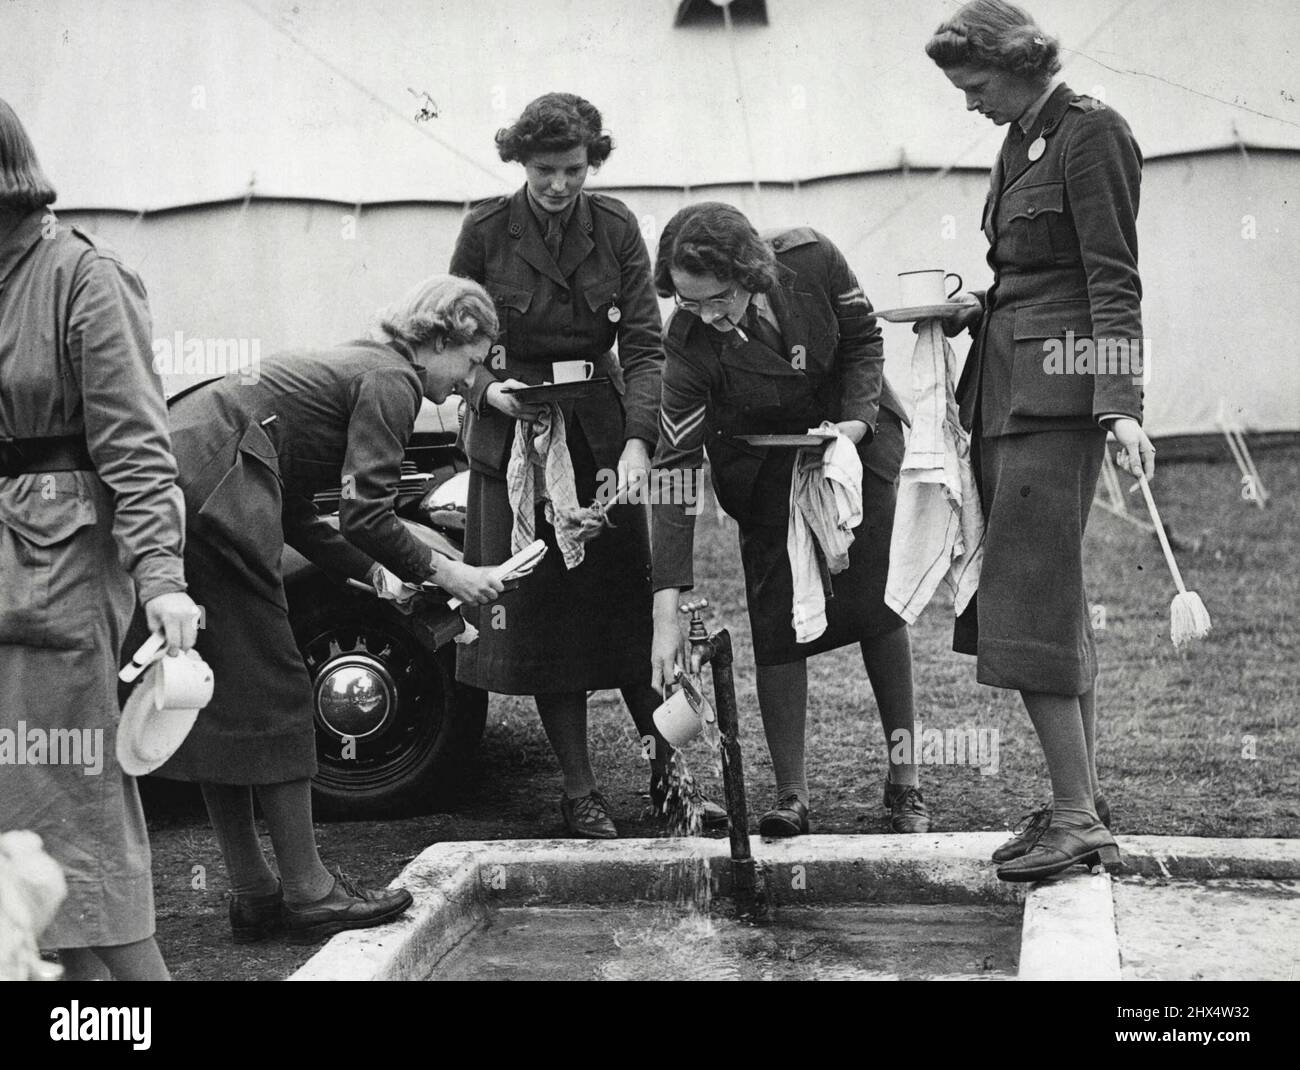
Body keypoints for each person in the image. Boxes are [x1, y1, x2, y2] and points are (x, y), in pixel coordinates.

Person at [148, 275, 504, 942]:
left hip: (186, 477)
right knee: (282, 684)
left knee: (218, 693)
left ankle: (255, 892)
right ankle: (310, 893)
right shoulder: (393, 380)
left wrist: (376, 574)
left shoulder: (361, 365)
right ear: (437, 340)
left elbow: (299, 513)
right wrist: (447, 568)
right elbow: (370, 511)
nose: (469, 380)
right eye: (473, 359)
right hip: (217, 484)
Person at [450, 91, 725, 838]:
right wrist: (484, 390)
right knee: (547, 623)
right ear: (520, 162)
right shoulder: (484, 228)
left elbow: (642, 342)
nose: (560, 185)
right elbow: (452, 333)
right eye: (545, 170)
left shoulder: (616, 228)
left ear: (591, 161)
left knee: (632, 614)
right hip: (516, 441)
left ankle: (673, 779)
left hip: (601, 437)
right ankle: (579, 792)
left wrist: (640, 438)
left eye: (573, 169)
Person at [925, 0, 1155, 880]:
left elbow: (1111, 278)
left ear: (1021, 61)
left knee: (1025, 600)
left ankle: (1073, 817)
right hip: (1006, 386)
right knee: (1043, 600)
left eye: (974, 83)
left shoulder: (1092, 134)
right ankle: (1079, 803)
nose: (968, 101)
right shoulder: (1021, 136)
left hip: (1059, 403)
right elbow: (1030, 274)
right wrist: (973, 308)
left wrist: (1122, 402)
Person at [649, 202, 932, 838]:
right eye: (690, 304)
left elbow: (863, 339)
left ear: (750, 271)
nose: (708, 318)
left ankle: (905, 782)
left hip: (853, 451)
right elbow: (672, 469)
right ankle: (791, 796)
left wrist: (855, 426)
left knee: (880, 613)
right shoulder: (687, 340)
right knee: (778, 625)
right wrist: (666, 608)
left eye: (718, 299)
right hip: (762, 478)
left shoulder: (811, 258)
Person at [0, 97, 200, 980]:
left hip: (58, 581)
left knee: (76, 832)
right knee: (22, 858)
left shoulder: (84, 276)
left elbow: (138, 448)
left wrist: (162, 576)